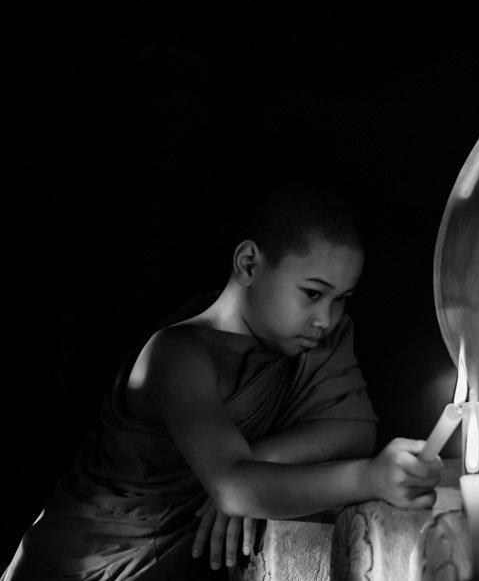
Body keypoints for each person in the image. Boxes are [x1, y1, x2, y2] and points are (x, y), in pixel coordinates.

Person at [2, 181, 443, 580]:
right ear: (249, 264)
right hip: (76, 565)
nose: (326, 318)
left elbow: (352, 430)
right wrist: (370, 479)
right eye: (312, 293)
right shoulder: (178, 353)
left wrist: (260, 462)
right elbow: (234, 489)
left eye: (341, 299)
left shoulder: (314, 339)